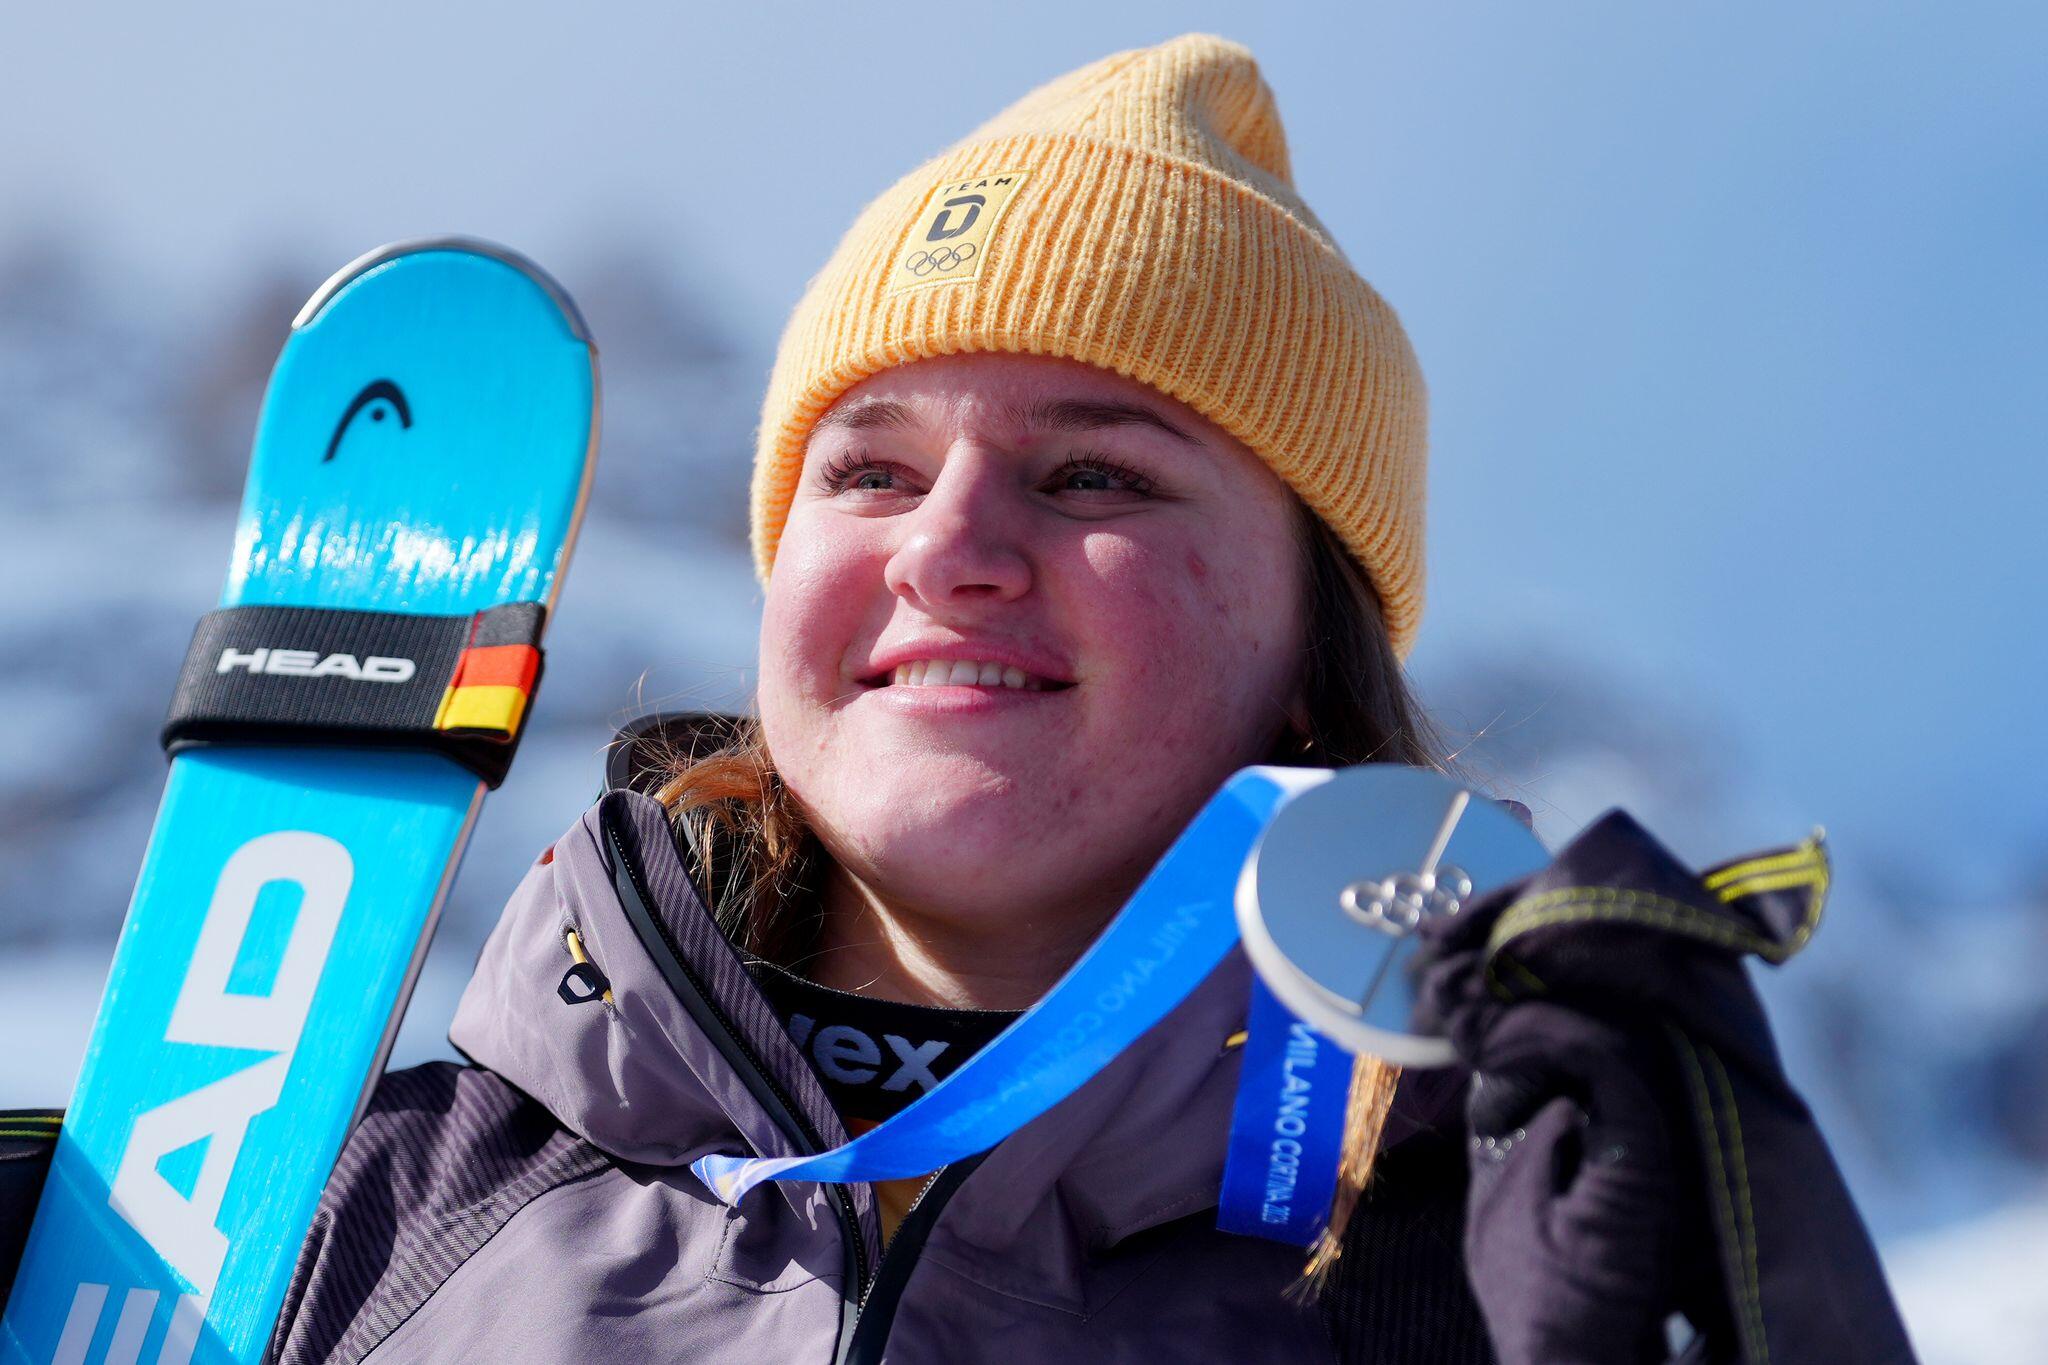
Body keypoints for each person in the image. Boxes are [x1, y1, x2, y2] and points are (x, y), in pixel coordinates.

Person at [264, 33, 1911, 1365]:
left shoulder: (1502, 1251)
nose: (946, 548)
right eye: (871, 469)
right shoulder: (363, 1208)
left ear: (1312, 641)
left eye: (1095, 474)